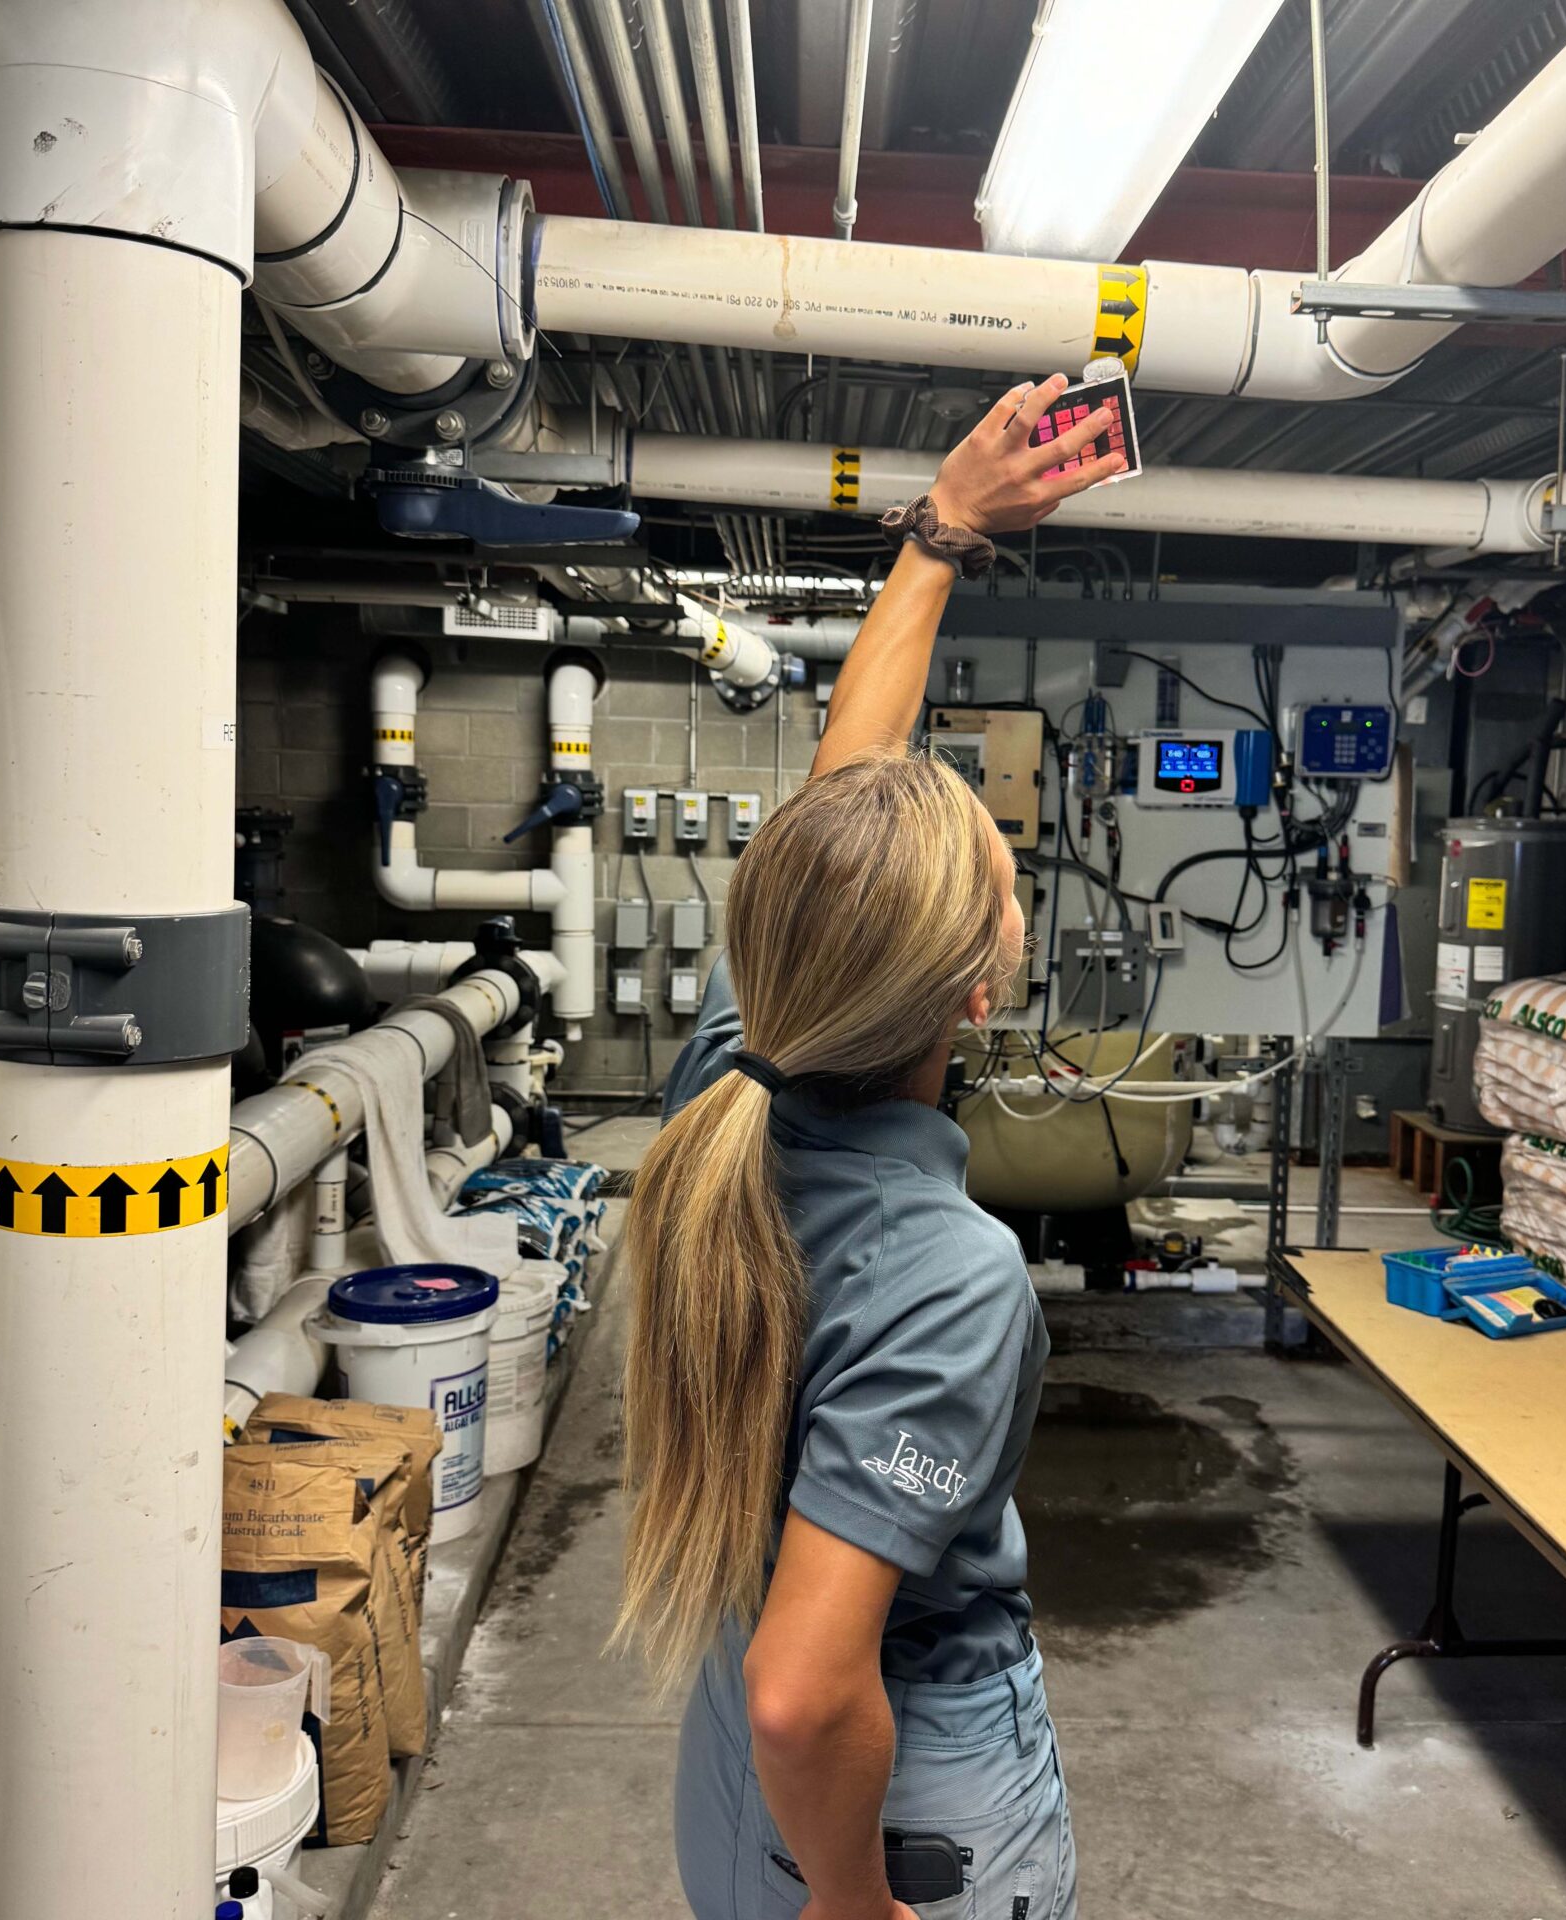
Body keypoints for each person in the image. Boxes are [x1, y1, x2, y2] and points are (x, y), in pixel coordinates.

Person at [616, 375, 1127, 1920]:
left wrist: (947, 532)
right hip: (896, 1802)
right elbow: (806, 1687)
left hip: (731, 1774)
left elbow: (844, 801)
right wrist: (847, 1903)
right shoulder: (950, 1273)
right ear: (975, 985)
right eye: (997, 867)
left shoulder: (733, 1081)